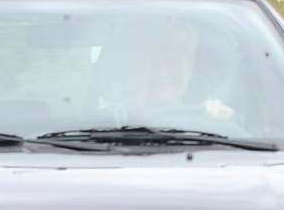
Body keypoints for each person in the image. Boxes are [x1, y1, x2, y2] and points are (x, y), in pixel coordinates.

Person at [99, 21, 242, 131]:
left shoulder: (210, 123)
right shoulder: (105, 126)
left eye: (173, 60)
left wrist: (220, 119)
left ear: (189, 69)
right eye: (151, 60)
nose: (162, 72)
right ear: (133, 69)